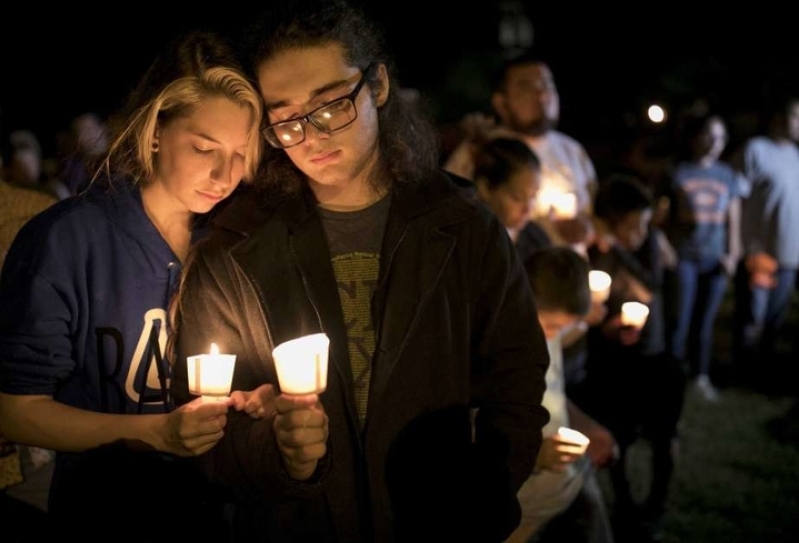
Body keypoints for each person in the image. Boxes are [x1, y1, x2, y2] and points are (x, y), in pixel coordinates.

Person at [169, 1, 550, 542]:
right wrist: (283, 454)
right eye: (286, 121)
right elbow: (208, 428)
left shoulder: (461, 229)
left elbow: (516, 378)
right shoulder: (236, 253)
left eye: (330, 106)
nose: (312, 135)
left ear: (378, 85)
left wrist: (483, 500)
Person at [0, 30, 270, 540]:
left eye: (240, 153)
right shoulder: (69, 240)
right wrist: (156, 433)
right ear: (153, 131)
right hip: (103, 513)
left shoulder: (234, 243)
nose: (224, 173)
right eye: (203, 147)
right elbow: (16, 410)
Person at [572, 174, 687, 543]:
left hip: (654, 357)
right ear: (611, 220)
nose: (642, 231)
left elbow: (652, 289)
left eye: (644, 223)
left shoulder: (649, 243)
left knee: (663, 435)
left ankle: (657, 503)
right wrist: (607, 327)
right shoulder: (594, 251)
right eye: (635, 224)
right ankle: (623, 505)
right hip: (615, 364)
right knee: (616, 434)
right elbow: (592, 309)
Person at [504, 246, 616, 543]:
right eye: (552, 325)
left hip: (561, 479)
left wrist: (585, 424)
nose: (554, 336)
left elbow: (552, 392)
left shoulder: (544, 331)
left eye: (564, 329)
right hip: (514, 495)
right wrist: (536, 456)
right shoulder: (498, 353)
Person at [443, 52, 598, 249]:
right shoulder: (481, 148)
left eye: (547, 85)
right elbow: (448, 212)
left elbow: (594, 217)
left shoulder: (572, 151)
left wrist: (586, 228)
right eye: (526, 88)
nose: (541, 95)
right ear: (501, 102)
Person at [664, 112, 744, 401]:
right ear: (696, 137)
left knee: (705, 323)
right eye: (709, 135)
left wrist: (733, 254)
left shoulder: (728, 176)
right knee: (679, 321)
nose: (714, 143)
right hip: (685, 256)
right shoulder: (678, 173)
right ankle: (670, 375)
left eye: (721, 137)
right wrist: (668, 250)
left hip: (716, 259)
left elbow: (733, 218)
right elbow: (662, 217)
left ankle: (700, 376)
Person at [731, 94, 799, 392]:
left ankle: (762, 375)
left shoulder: (796, 155)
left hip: (790, 254)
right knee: (751, 319)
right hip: (760, 252)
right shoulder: (755, 149)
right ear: (779, 118)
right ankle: (740, 373)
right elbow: (735, 198)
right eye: (796, 116)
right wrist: (741, 247)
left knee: (774, 319)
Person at [472, 136, 552, 261]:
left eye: (533, 197)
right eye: (518, 197)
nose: (527, 209)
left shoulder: (537, 241)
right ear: (485, 188)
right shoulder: (465, 241)